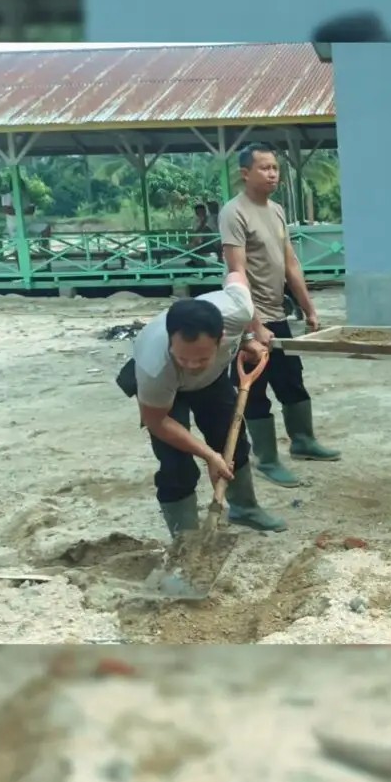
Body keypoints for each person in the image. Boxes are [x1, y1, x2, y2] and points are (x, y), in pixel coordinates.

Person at [115, 271, 287, 536]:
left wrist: (248, 338)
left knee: (232, 440)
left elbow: (236, 274)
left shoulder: (237, 311)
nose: (192, 365)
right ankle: (186, 541)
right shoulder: (154, 366)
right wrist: (208, 455)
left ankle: (245, 508)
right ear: (171, 340)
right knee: (177, 465)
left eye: (200, 358)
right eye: (184, 358)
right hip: (167, 389)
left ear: (220, 339)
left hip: (213, 379)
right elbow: (157, 421)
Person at [218, 142, 340, 488]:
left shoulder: (276, 210)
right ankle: (267, 459)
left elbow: (290, 263)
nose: (273, 173)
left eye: (275, 167)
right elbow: (235, 272)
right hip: (246, 319)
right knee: (254, 392)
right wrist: (254, 326)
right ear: (245, 173)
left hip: (277, 313)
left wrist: (309, 307)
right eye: (264, 168)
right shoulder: (233, 212)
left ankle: (303, 442)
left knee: (291, 379)